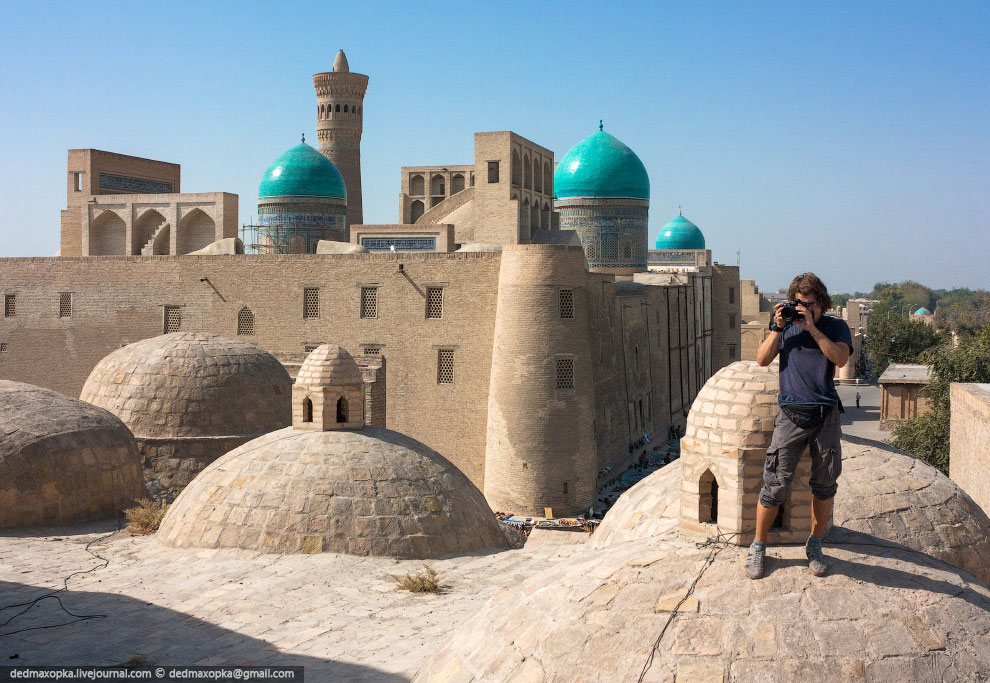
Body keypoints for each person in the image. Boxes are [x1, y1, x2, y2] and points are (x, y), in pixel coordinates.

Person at [745, 273, 852, 579]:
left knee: (825, 485)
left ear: (822, 303)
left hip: (824, 415)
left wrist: (813, 330)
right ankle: (758, 547)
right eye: (798, 303)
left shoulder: (835, 327)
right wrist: (779, 328)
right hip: (790, 414)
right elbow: (762, 359)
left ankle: (815, 545)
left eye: (809, 304)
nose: (803, 308)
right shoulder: (785, 325)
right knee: (775, 484)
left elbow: (841, 359)